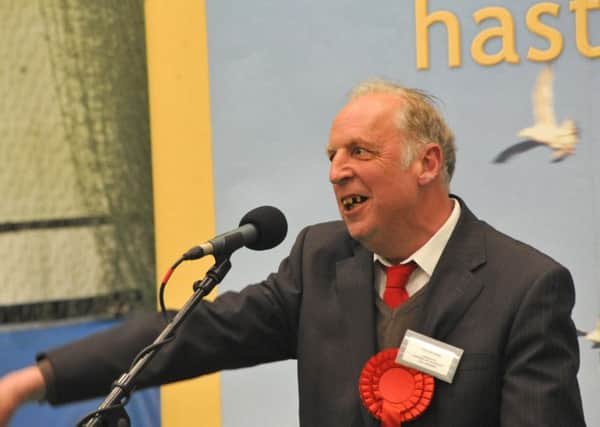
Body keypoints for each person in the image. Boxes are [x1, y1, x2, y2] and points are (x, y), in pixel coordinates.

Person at [0, 80, 586, 426]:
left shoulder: (525, 286)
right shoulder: (320, 261)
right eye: (331, 155)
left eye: (358, 151)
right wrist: (31, 380)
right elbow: (196, 333)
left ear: (427, 164)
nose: (336, 172)